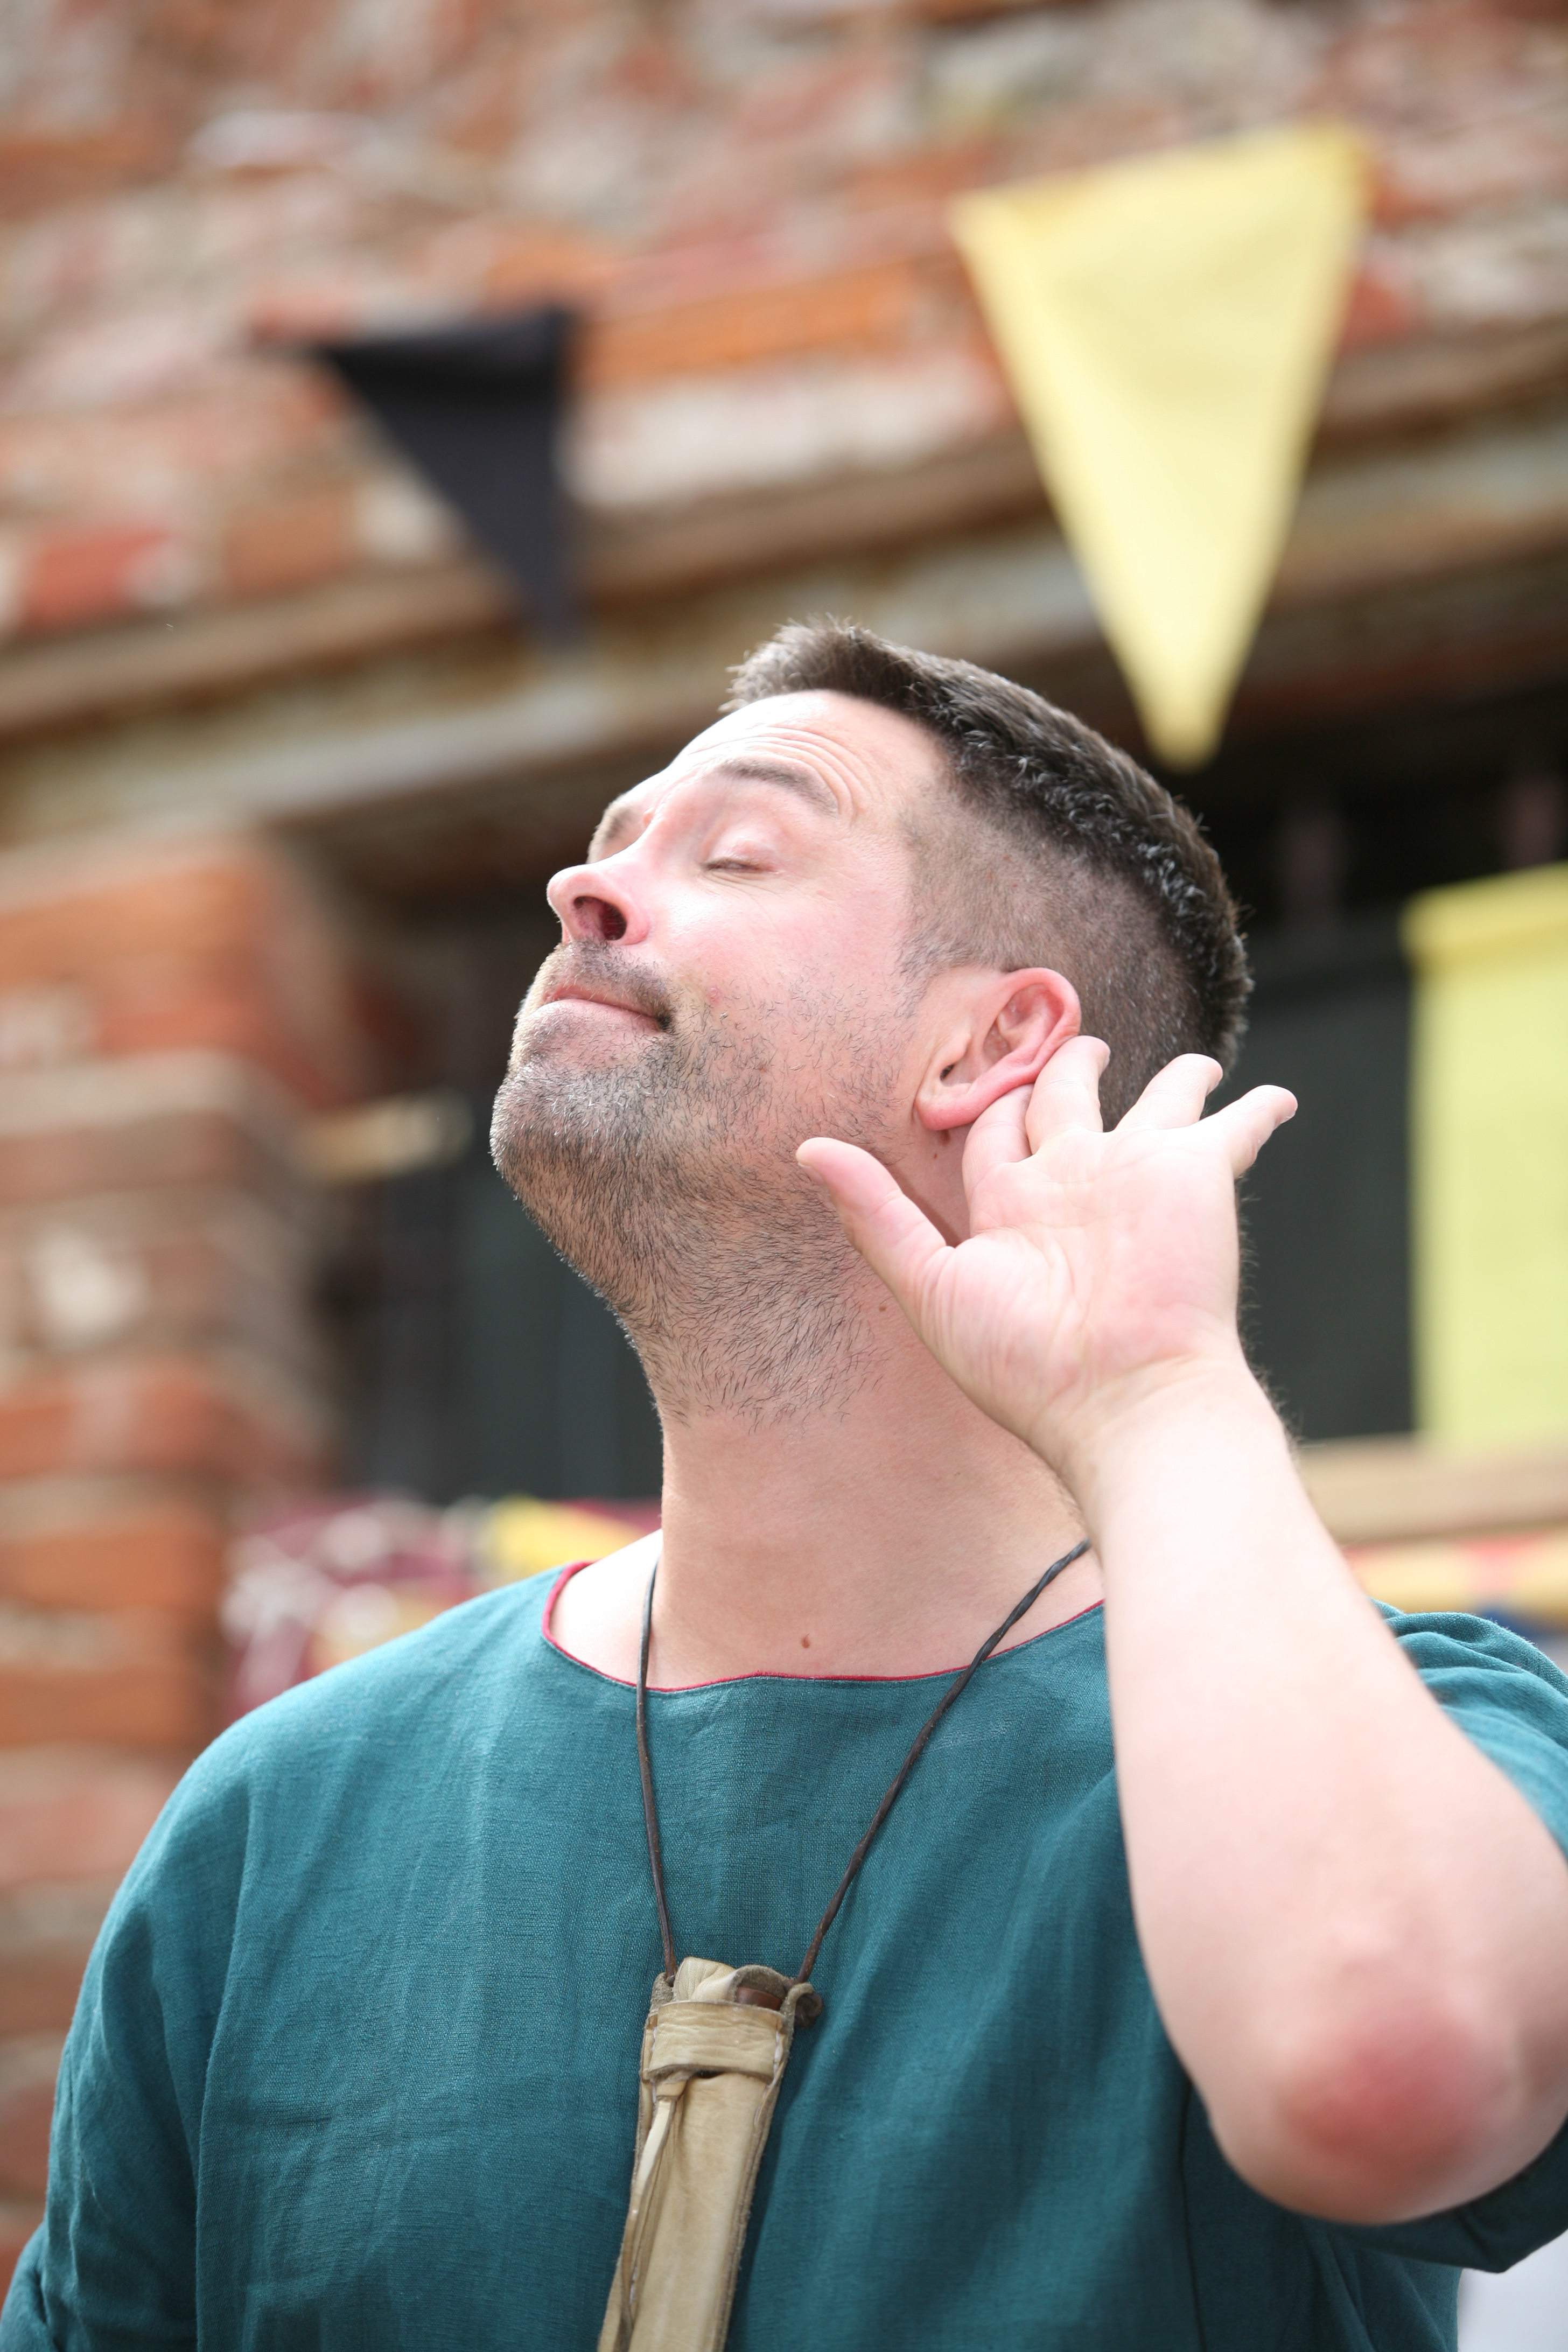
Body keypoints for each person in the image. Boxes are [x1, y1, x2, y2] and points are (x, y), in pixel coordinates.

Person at [7, 621, 1568, 2352]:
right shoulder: (276, 1815)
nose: (583, 889)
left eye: (736, 853)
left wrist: (1156, 1388)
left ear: (990, 1046)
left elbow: (1385, 2080)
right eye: (607, 843)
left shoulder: (1422, 1741)